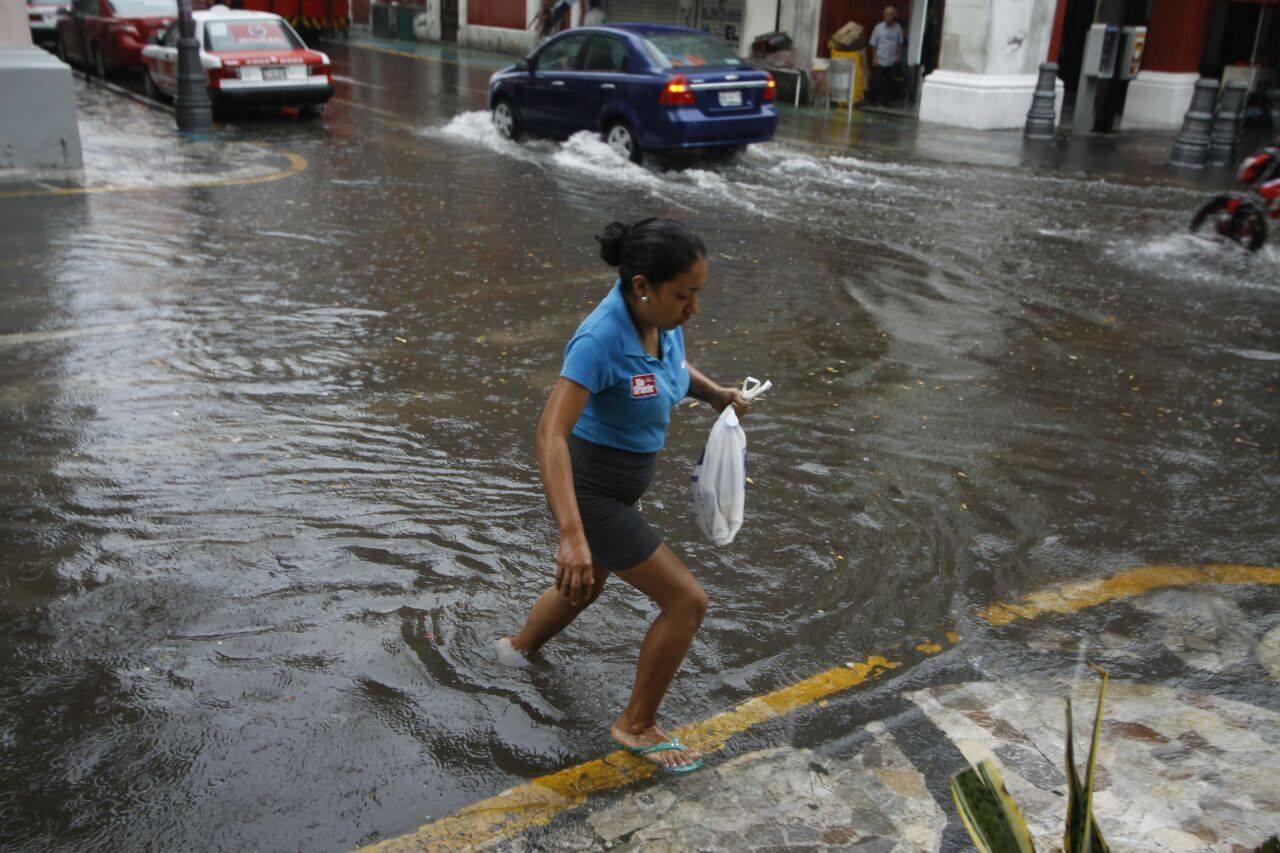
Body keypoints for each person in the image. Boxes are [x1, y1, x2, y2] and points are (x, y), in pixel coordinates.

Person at [500, 219, 750, 773]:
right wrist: (571, 535)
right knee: (687, 601)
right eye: (684, 296)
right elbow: (550, 433)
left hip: (620, 489)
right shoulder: (600, 338)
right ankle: (635, 725)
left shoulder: (661, 321)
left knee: (583, 587)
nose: (694, 310)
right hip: (592, 494)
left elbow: (674, 368)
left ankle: (513, 652)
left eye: (697, 294)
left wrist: (714, 395)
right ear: (643, 286)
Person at [866, 5, 905, 106]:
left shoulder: (898, 28)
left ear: (894, 16)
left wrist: (899, 55)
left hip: (891, 59)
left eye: (891, 14)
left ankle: (886, 101)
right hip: (880, 58)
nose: (889, 16)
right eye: (887, 14)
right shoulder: (878, 28)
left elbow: (899, 44)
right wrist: (874, 58)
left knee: (889, 83)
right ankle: (873, 101)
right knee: (876, 81)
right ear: (884, 15)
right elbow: (873, 44)